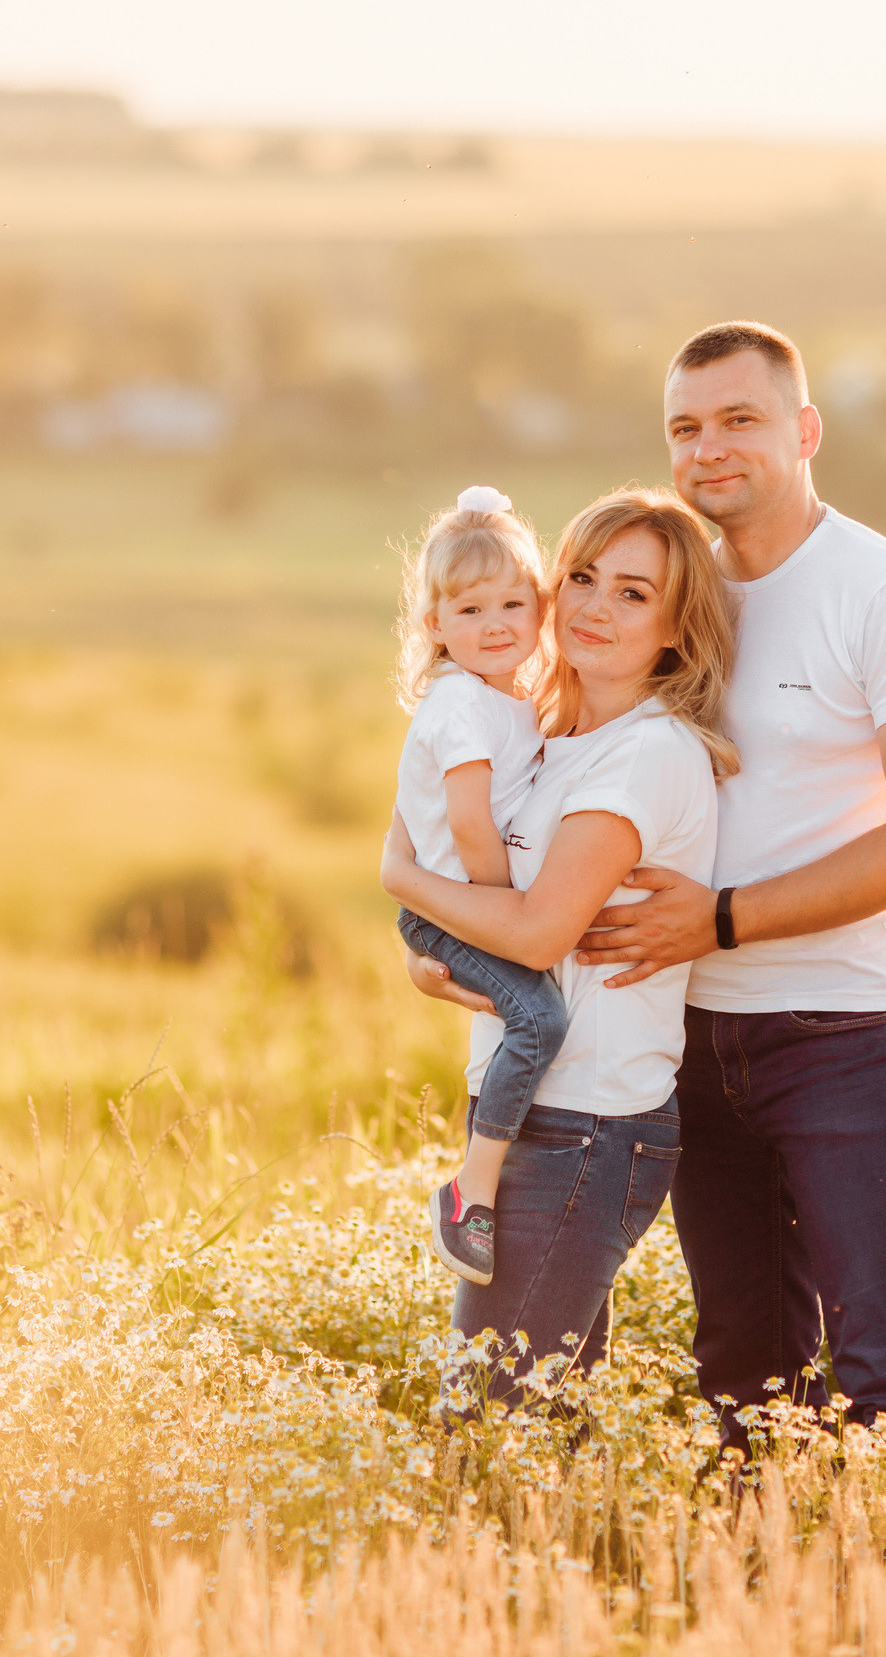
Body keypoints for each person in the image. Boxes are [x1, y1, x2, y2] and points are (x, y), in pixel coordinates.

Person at [409, 322, 886, 1474]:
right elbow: (537, 823)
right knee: (747, 1369)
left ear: (803, 430)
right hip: (684, 1042)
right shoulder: (666, 582)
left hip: (842, 1030)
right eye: (684, 426)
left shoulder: (884, 590)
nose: (709, 447)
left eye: (739, 419)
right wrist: (460, 953)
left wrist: (719, 919)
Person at [382, 487, 740, 1401]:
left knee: (493, 1415)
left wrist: (406, 885)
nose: (591, 605)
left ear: (674, 628)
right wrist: (435, 960)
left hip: (586, 1122)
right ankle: (584, 1546)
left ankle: (485, 1547)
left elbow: (537, 932)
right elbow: (451, 849)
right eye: (580, 576)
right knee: (543, 1415)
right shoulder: (545, 737)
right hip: (536, 1110)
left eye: (632, 593)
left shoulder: (647, 753)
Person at [387, 486, 567, 1285]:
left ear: (540, 608)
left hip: (463, 910)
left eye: (511, 603)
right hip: (453, 912)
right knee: (539, 1017)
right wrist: (508, 912)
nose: (494, 624)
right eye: (468, 611)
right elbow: (466, 824)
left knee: (518, 1009)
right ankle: (472, 1188)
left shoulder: (513, 697)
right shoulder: (460, 702)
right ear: (434, 625)